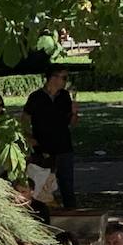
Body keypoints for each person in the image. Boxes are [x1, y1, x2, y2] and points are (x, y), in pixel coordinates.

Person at [22, 65, 79, 209]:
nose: (66, 81)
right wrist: (29, 137)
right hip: (43, 150)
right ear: (53, 77)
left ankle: (72, 220)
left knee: (68, 189)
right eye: (64, 78)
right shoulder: (36, 97)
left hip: (64, 148)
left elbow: (72, 125)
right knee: (42, 188)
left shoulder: (65, 96)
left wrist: (74, 113)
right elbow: (24, 119)